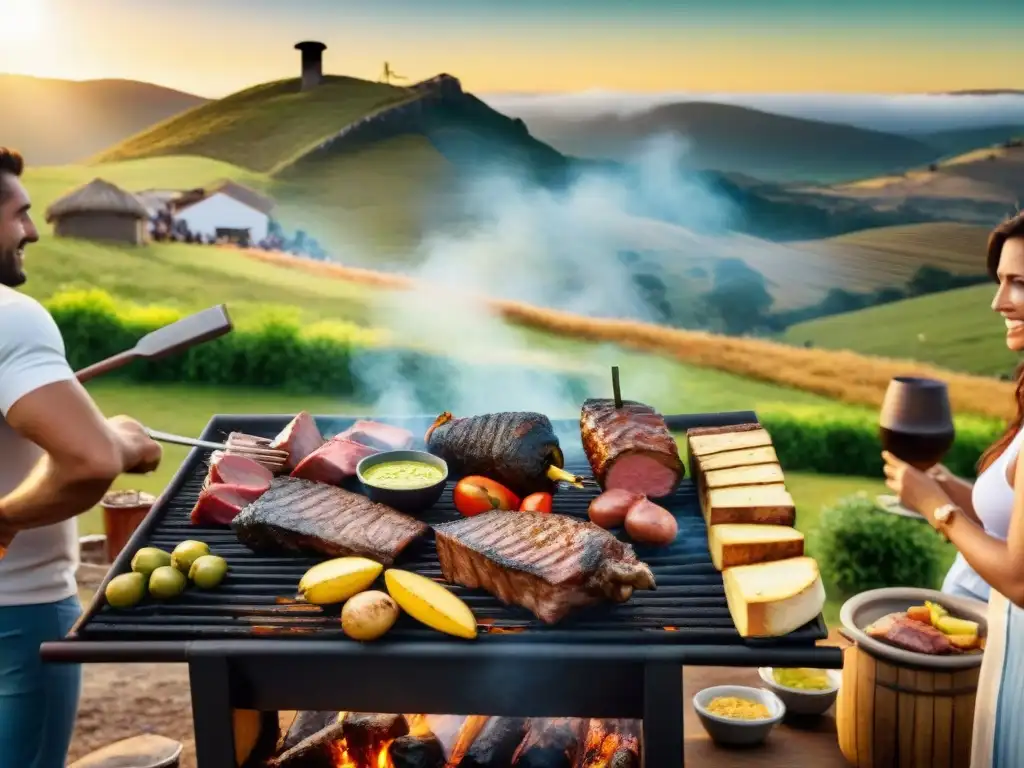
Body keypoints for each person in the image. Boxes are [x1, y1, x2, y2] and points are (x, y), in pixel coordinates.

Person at [0, 147, 164, 767]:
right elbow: (89, 461)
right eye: (19, 214)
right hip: (16, 612)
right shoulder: (12, 318)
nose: (32, 231)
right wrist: (115, 438)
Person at [883, 211, 1024, 767]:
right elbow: (1006, 518)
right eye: (1000, 282)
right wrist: (943, 484)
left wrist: (933, 507)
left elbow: (1019, 577)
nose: (999, 302)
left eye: (1020, 283)